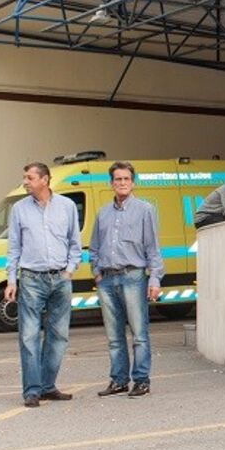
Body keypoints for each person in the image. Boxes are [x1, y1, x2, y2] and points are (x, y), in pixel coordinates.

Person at [5, 162, 81, 408]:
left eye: (29, 177)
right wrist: (11, 280)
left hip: (61, 279)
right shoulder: (19, 209)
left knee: (58, 336)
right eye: (24, 177)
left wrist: (69, 270)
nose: (25, 181)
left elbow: (74, 242)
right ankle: (32, 391)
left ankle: (48, 386)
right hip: (31, 279)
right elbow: (14, 247)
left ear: (45, 180)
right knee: (28, 337)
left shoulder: (67, 207)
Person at [90, 161, 164, 398]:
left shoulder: (145, 210)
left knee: (139, 334)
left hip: (133, 277)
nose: (122, 183)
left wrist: (155, 279)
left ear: (133, 182)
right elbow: (94, 247)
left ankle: (141, 380)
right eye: (118, 179)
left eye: (126, 179)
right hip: (107, 280)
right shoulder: (102, 213)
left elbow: (153, 248)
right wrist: (97, 272)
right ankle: (119, 380)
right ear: (111, 183)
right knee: (114, 337)